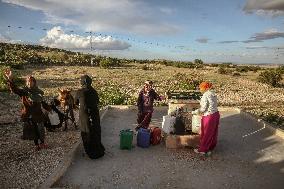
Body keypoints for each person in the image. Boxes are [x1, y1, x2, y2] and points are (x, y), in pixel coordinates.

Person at [4, 69, 48, 151]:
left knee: (41, 129)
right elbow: (15, 89)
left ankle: (42, 143)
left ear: (34, 82)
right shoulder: (24, 92)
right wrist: (10, 79)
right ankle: (36, 145)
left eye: (31, 81)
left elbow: (42, 102)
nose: (29, 83)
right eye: (28, 82)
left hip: (38, 114)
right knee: (33, 130)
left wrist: (49, 109)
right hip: (29, 115)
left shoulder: (39, 92)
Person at [75, 75, 105, 159]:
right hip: (94, 115)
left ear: (83, 82)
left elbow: (76, 103)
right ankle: (98, 150)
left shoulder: (80, 92)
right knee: (95, 131)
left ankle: (91, 153)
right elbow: (97, 102)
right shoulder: (94, 91)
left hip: (85, 116)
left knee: (86, 133)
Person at [192, 81, 220, 156]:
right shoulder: (213, 93)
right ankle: (210, 147)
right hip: (216, 114)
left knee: (206, 133)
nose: (200, 90)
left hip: (209, 116)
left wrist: (194, 112)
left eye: (201, 88)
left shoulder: (205, 95)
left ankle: (203, 150)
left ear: (205, 88)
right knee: (213, 132)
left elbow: (203, 109)